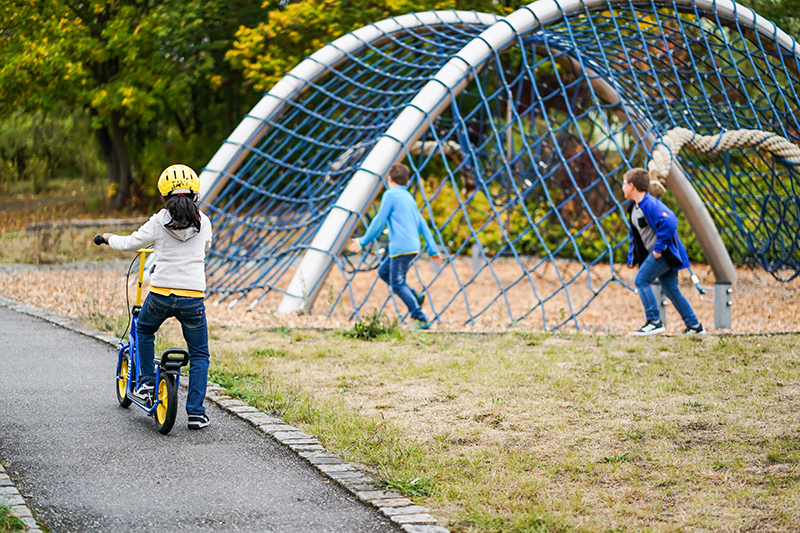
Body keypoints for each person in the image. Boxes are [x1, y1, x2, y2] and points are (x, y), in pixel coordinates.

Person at [100, 164, 214, 429]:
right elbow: (206, 246)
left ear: (164, 196)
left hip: (161, 295)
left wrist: (107, 238)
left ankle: (146, 385)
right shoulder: (204, 222)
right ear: (195, 194)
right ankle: (196, 413)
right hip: (192, 298)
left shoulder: (158, 221)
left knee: (144, 330)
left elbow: (129, 243)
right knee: (199, 354)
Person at [348, 163, 440, 329]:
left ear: (389, 179)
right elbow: (423, 224)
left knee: (397, 283)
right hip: (411, 247)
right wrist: (433, 249)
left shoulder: (390, 195)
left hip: (401, 248)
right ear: (407, 182)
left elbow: (379, 220)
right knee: (384, 272)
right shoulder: (409, 198)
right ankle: (414, 295)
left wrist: (363, 240)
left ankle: (420, 318)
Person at [623, 167, 705, 336]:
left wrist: (658, 248)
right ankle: (694, 326)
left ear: (631, 186)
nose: (622, 187)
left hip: (665, 253)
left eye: (623, 184)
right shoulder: (634, 208)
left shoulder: (650, 204)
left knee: (641, 280)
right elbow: (634, 236)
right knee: (671, 289)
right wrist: (632, 258)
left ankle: (654, 321)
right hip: (658, 253)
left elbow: (670, 221)